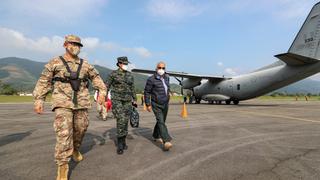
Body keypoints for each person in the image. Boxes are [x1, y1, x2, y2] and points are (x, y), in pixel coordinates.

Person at [33, 35, 107, 180]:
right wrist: (39, 99)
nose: (76, 47)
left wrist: (102, 92)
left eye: (78, 45)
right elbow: (44, 81)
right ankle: (62, 166)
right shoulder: (55, 62)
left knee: (81, 128)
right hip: (62, 102)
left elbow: (96, 78)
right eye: (73, 44)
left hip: (82, 102)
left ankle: (75, 149)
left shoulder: (85, 64)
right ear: (65, 45)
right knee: (64, 133)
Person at [106, 56, 137, 155]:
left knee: (126, 119)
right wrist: (104, 98)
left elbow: (132, 87)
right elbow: (107, 85)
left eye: (127, 64)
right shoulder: (113, 74)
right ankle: (120, 143)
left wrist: (135, 99)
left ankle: (123, 140)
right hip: (117, 100)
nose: (126, 65)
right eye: (125, 64)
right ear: (119, 64)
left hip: (127, 100)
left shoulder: (130, 75)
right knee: (121, 119)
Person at [144, 61, 173, 151]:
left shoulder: (167, 77)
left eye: (163, 68)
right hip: (156, 104)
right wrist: (148, 104)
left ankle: (155, 135)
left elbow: (167, 88)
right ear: (156, 68)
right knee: (161, 121)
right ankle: (166, 141)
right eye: (159, 68)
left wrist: (168, 95)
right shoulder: (151, 79)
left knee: (161, 121)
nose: (161, 70)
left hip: (165, 103)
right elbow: (147, 92)